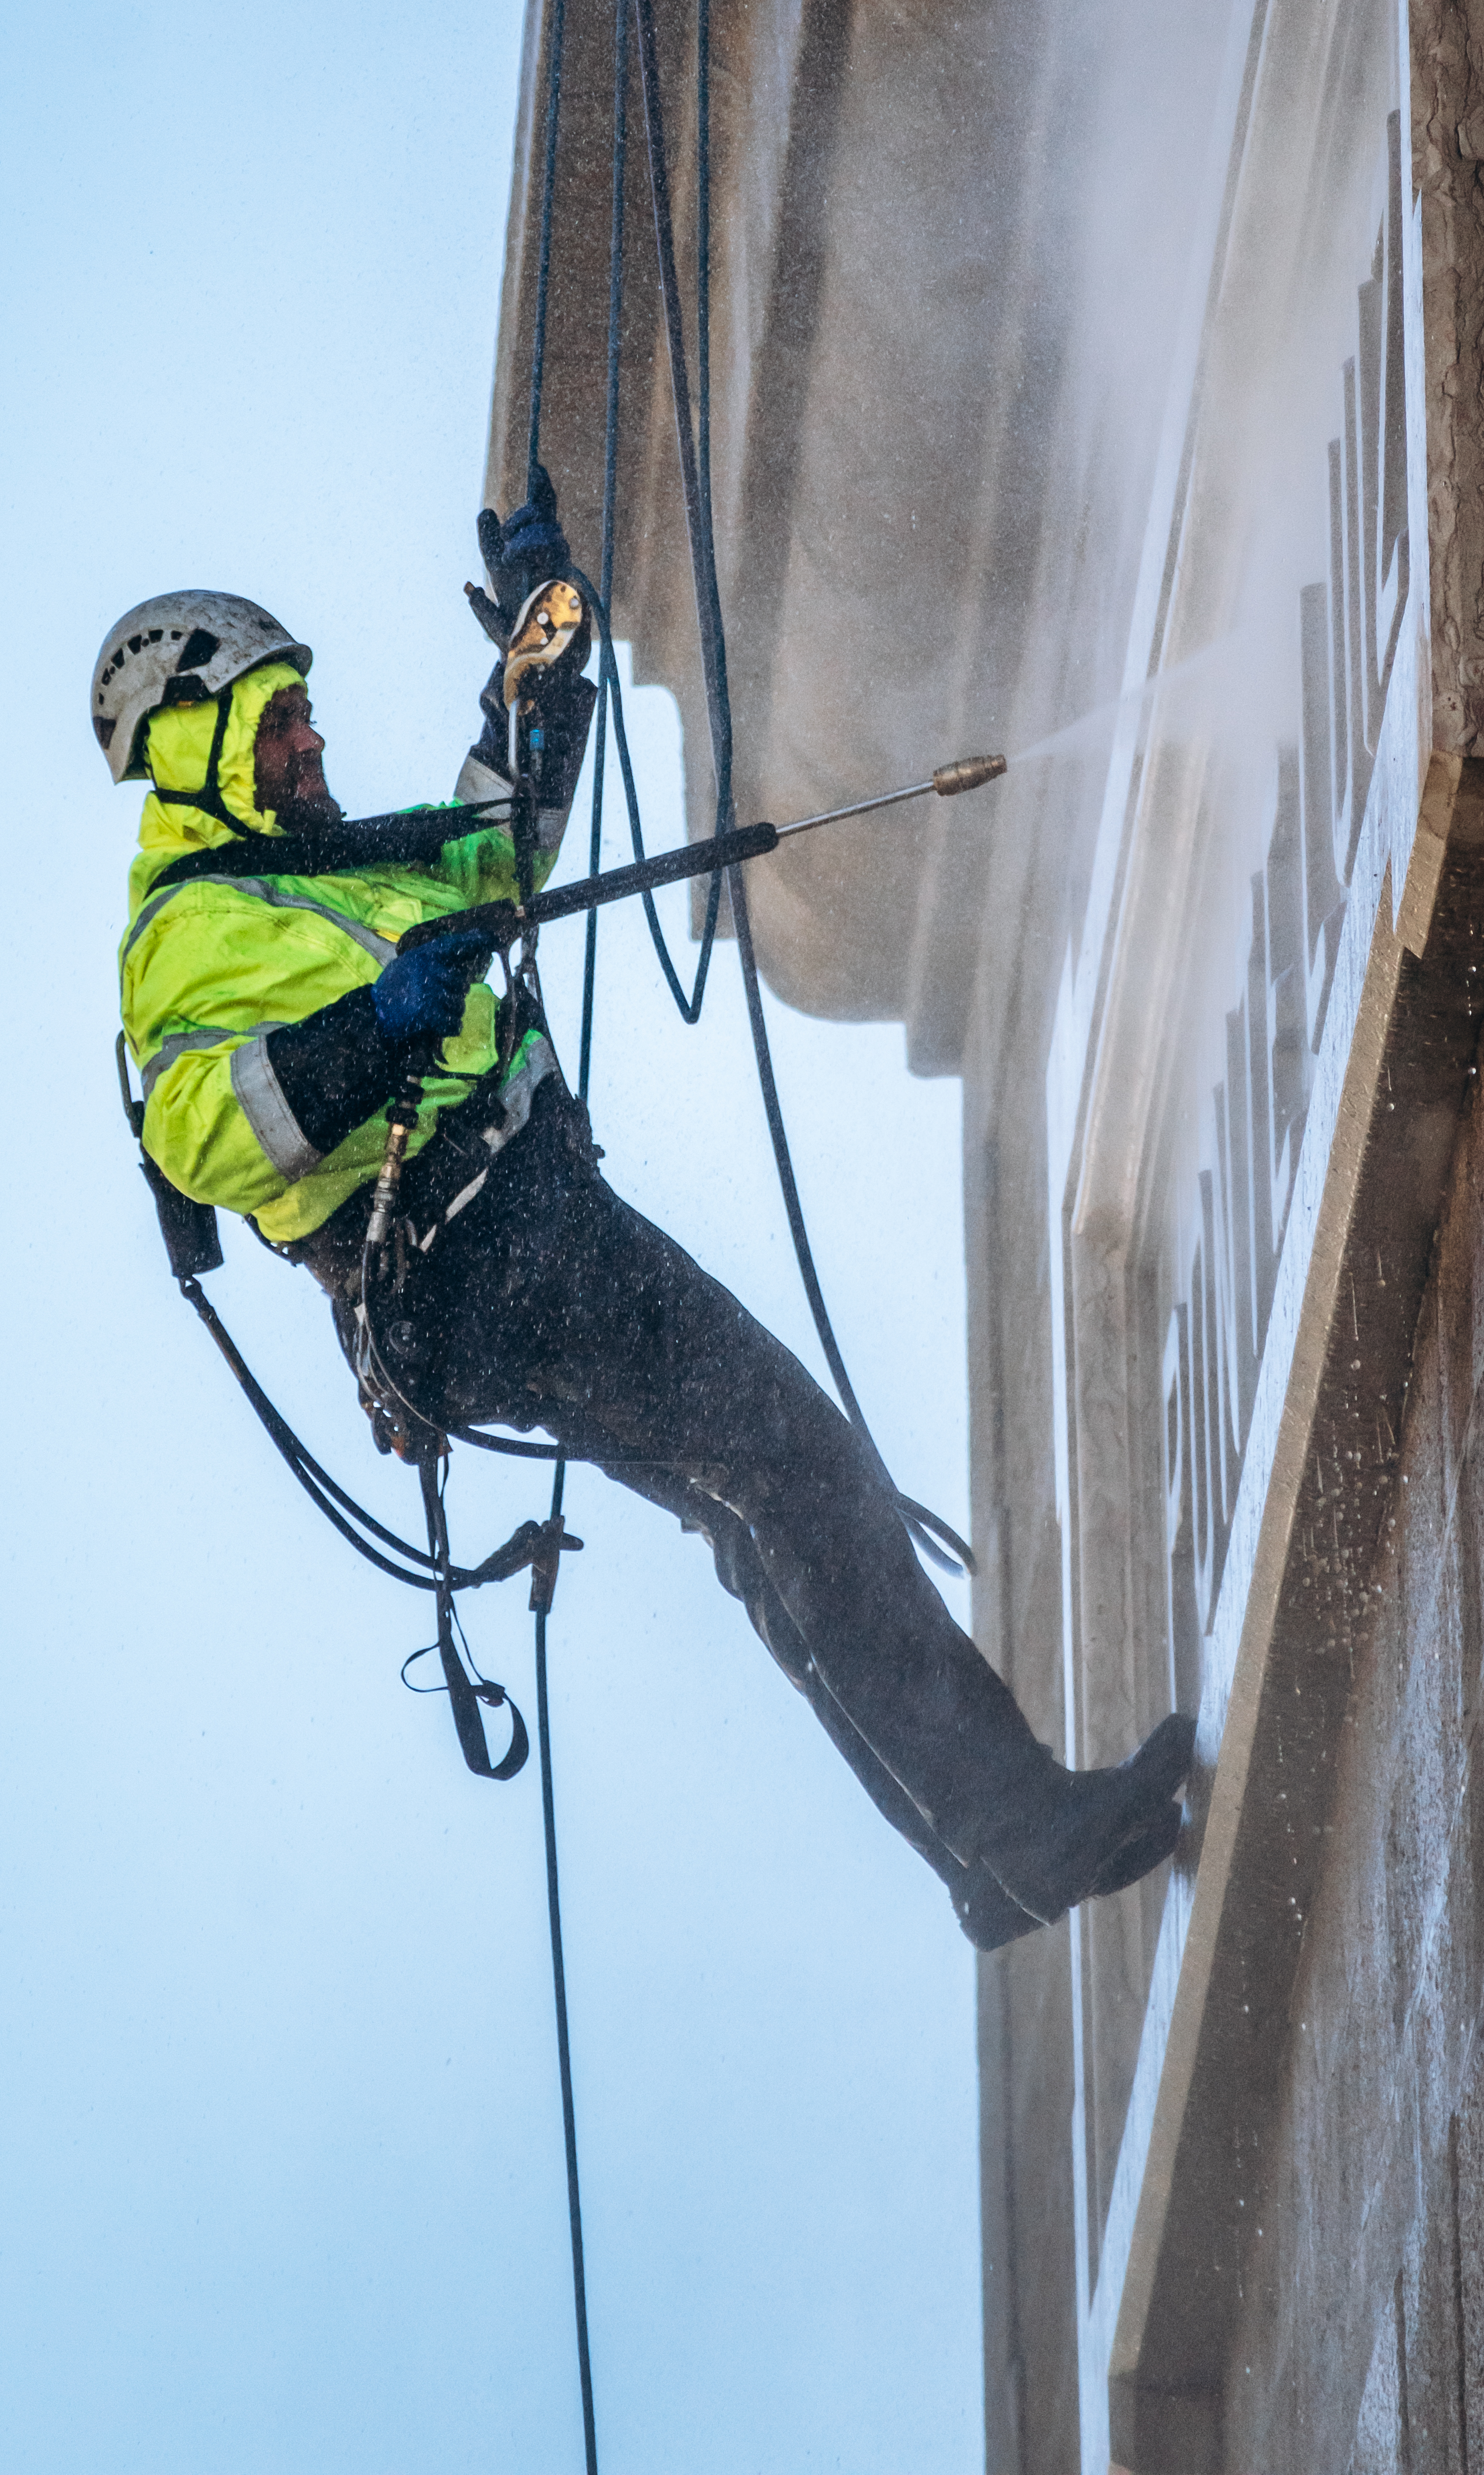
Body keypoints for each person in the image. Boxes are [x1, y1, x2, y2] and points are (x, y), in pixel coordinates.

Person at [95, 484, 1195, 1948]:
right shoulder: (185, 933)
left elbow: (499, 849)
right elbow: (212, 1129)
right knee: (792, 1477)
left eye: (303, 708)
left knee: (787, 1491)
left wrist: (548, 665)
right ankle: (1008, 1839)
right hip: (481, 1261)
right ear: (196, 738)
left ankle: (1001, 1846)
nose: (310, 737)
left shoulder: (318, 868)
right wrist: (382, 1020)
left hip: (536, 1223)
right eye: (279, 714)